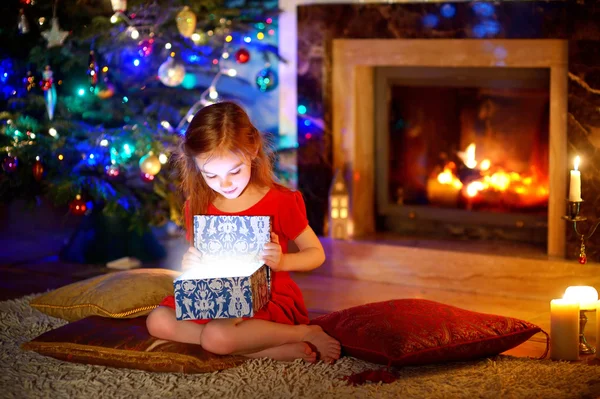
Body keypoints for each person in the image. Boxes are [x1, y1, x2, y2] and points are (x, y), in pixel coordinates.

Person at [147, 101, 341, 364]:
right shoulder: (197, 205)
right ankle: (266, 349)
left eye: (234, 171)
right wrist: (191, 263)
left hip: (266, 297)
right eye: (210, 175)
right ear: (196, 166)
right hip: (215, 297)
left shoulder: (280, 201)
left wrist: (284, 261)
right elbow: (203, 260)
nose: (224, 184)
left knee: (216, 336)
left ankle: (302, 332)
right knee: (157, 320)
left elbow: (316, 254)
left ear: (252, 150)